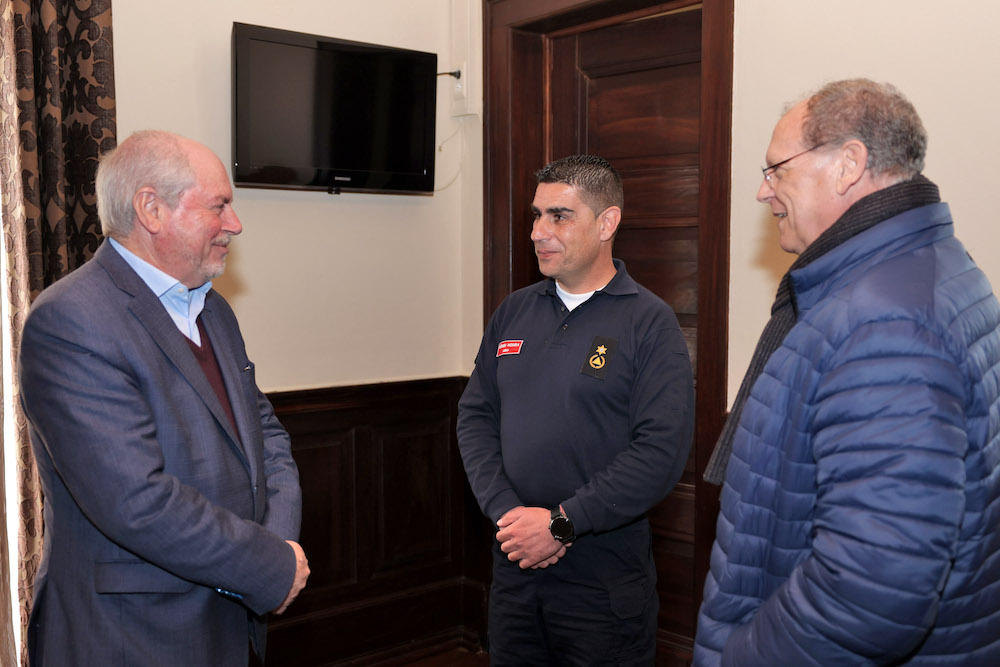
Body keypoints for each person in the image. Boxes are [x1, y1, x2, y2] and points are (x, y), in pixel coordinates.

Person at [695, 79, 1000, 665]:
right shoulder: (923, 269)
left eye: (776, 169)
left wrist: (742, 656)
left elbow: (871, 589)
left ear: (848, 165)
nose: (763, 192)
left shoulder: (887, 320)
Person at [19, 130, 310, 667]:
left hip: (227, 625)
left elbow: (265, 436)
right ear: (151, 208)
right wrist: (267, 566)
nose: (235, 224)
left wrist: (280, 547)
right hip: (130, 637)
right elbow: (137, 501)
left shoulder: (213, 310)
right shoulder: (70, 321)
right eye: (219, 205)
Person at [458, 154, 695, 665]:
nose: (538, 231)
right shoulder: (514, 311)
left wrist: (562, 524)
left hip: (603, 583)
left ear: (607, 222)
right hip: (514, 565)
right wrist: (508, 515)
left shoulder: (649, 323)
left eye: (559, 216)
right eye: (536, 215)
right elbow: (475, 417)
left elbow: (659, 453)